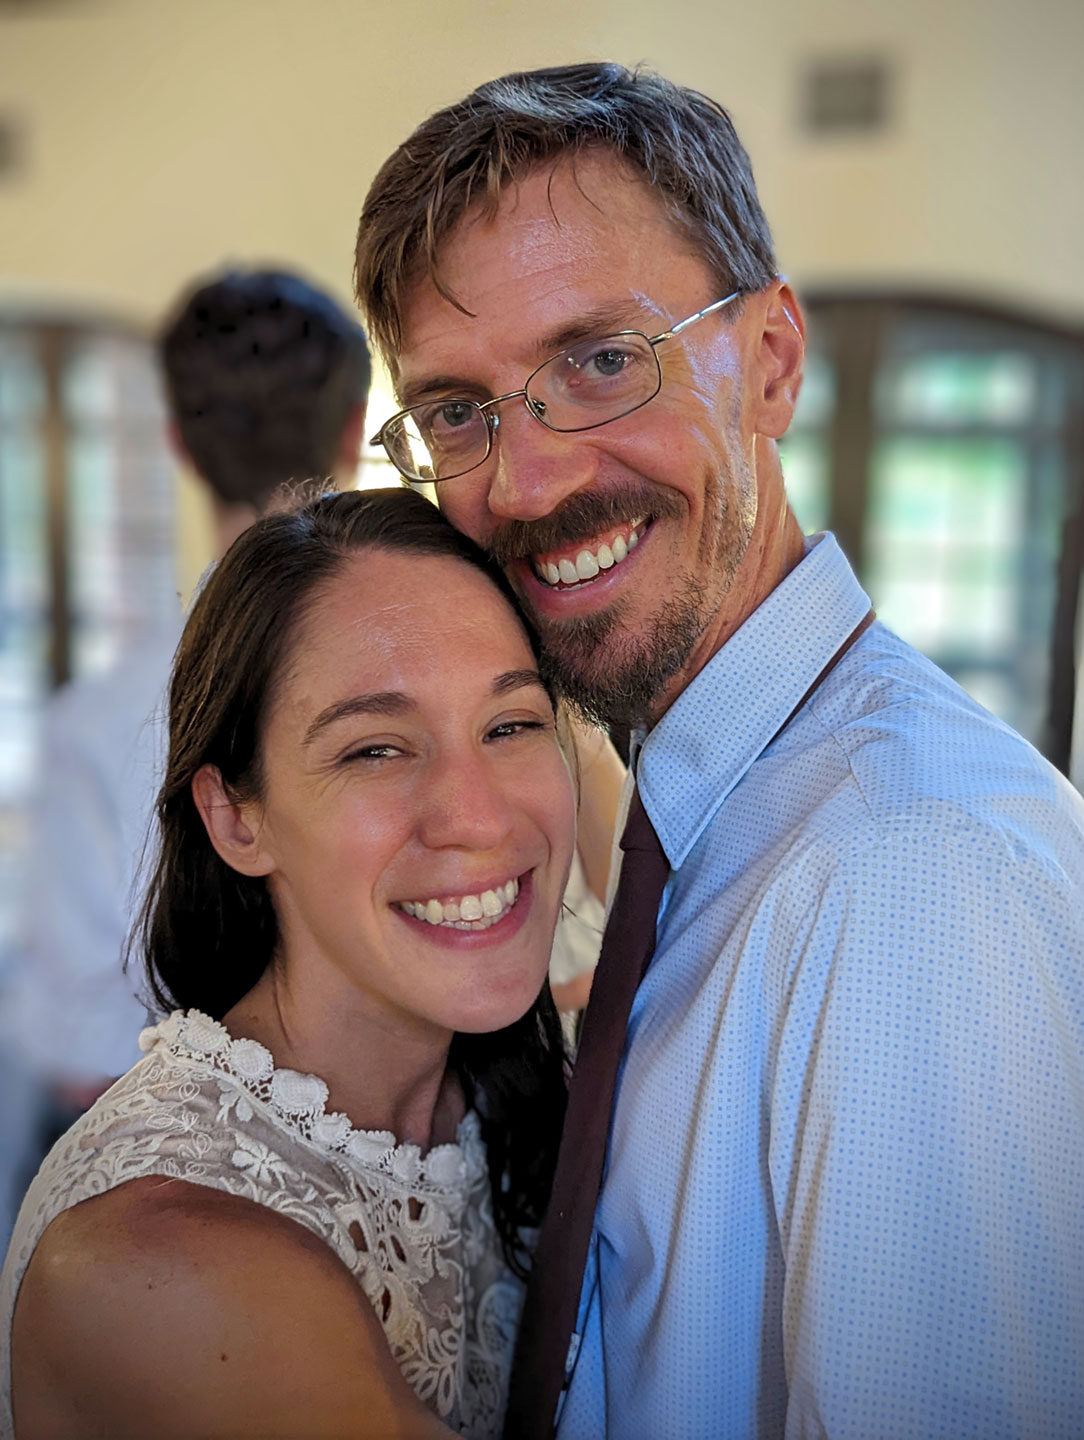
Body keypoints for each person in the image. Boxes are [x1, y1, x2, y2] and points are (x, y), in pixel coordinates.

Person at [354, 62, 1084, 1439]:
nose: (526, 479)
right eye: (458, 411)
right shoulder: (715, 814)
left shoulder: (909, 870)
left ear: (771, 363)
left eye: (600, 361)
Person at [0, 486, 576, 1440]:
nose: (478, 819)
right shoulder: (167, 1257)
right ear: (235, 817)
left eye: (511, 725)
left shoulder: (504, 1097)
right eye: (376, 750)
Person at [6, 268, 371, 1122]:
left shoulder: (94, 724)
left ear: (177, 443)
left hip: (164, 1143)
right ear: (356, 428)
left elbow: (74, 1049)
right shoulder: (444, 667)